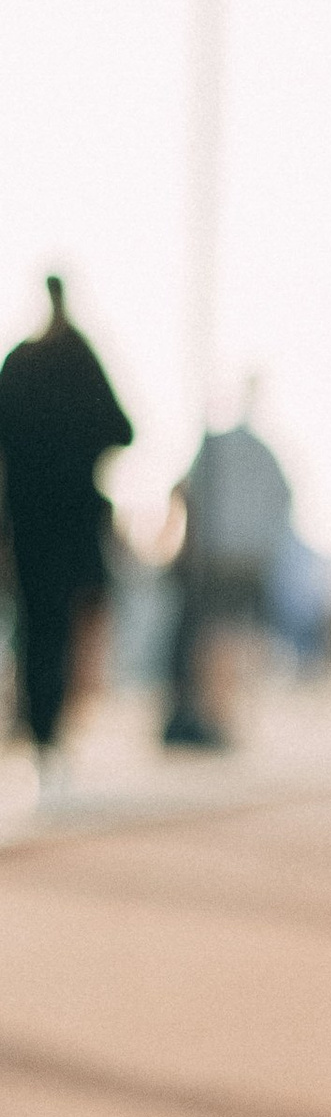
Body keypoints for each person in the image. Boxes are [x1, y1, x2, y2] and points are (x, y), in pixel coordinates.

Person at [0, 272, 133, 773]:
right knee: (60, 624)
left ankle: (38, 724)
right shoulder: (80, 359)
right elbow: (122, 429)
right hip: (72, 521)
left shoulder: (20, 363)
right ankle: (47, 728)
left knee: (35, 622)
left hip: (26, 520)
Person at [164, 389, 293, 749]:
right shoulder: (265, 453)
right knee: (236, 636)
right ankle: (225, 716)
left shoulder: (215, 448)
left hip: (216, 556)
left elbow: (186, 493)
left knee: (213, 636)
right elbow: (284, 501)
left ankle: (212, 715)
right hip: (250, 559)